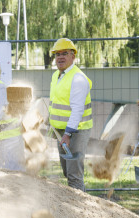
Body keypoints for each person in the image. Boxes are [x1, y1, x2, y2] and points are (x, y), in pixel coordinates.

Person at [48, 38, 93, 191]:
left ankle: (80, 208)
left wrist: (67, 134)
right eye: (57, 54)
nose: (60, 57)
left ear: (73, 56)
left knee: (74, 175)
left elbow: (77, 110)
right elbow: (56, 102)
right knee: (67, 171)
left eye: (64, 54)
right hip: (62, 132)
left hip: (76, 131)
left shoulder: (78, 78)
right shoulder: (57, 75)